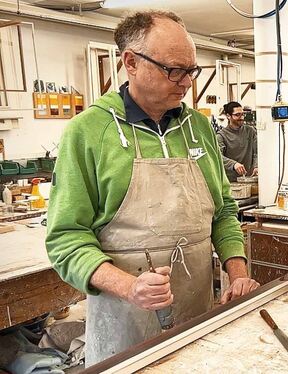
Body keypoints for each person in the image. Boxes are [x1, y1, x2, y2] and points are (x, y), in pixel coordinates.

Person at [45, 11, 259, 365]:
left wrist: (237, 272)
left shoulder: (199, 129)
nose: (186, 82)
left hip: (197, 312)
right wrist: (131, 287)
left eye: (192, 70)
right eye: (174, 70)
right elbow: (66, 238)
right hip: (124, 323)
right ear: (130, 62)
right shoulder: (87, 133)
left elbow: (222, 212)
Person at [217, 101, 258, 182]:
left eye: (242, 114)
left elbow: (256, 152)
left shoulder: (250, 131)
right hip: (230, 182)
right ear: (228, 116)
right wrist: (234, 164)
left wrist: (256, 166)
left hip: (249, 179)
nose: (242, 117)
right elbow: (218, 156)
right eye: (237, 115)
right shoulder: (221, 136)